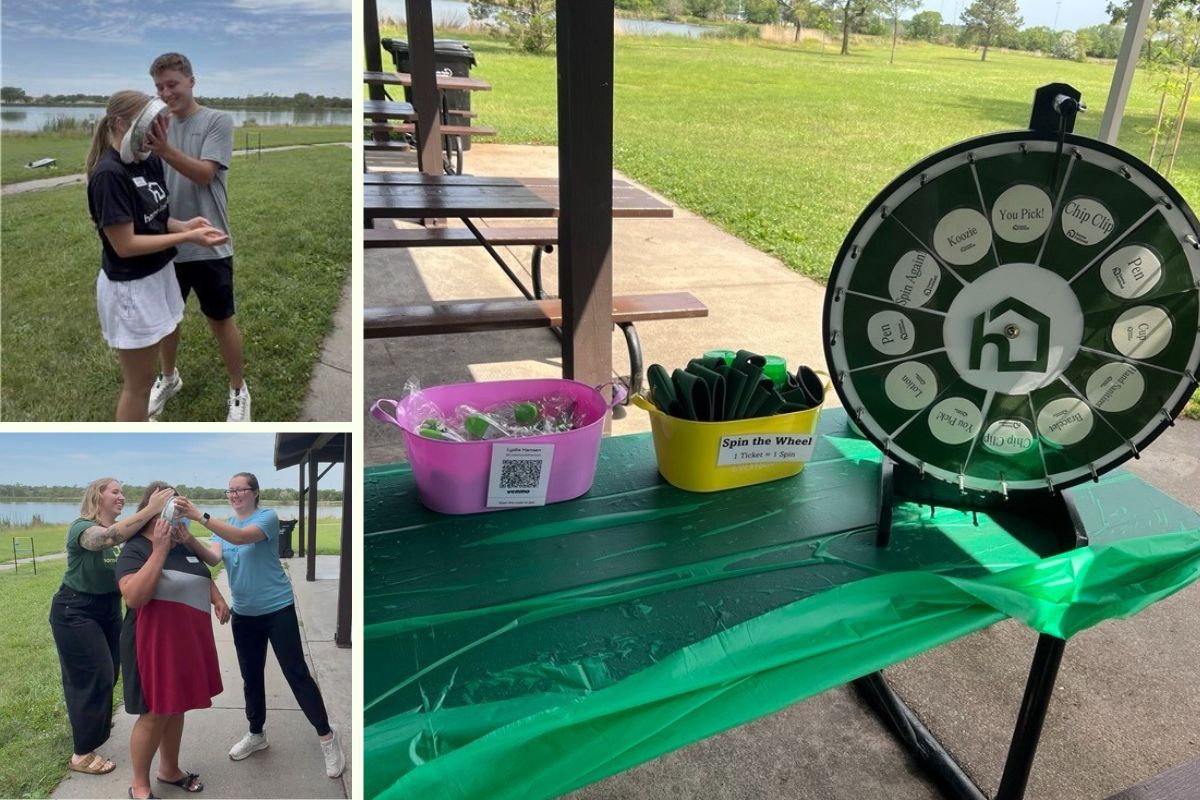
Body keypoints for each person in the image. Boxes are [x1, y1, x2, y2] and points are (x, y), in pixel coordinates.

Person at [176, 473, 345, 778]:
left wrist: (198, 515)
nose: (234, 494)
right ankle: (257, 734)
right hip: (244, 615)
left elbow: (240, 538)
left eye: (240, 489)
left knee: (296, 673)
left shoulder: (267, 517)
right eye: (230, 490)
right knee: (250, 677)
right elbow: (214, 557)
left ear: (255, 493)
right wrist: (187, 538)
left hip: (277, 609)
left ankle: (327, 737)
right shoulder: (224, 525)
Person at [85, 90, 229, 421]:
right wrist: (187, 236)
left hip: (158, 273)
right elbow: (126, 245)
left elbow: (155, 219)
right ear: (122, 124)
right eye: (151, 124)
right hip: (130, 286)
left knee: (149, 372)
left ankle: (166, 384)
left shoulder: (147, 159)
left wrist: (184, 224)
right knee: (138, 385)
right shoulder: (109, 174)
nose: (158, 131)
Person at [144, 52, 251, 422]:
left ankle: (238, 390)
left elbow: (205, 174)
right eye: (159, 87)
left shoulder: (217, 120)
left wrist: (164, 149)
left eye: (172, 84)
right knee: (167, 321)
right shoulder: (158, 124)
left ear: (191, 81)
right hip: (166, 241)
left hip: (210, 240)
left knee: (221, 321)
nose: (166, 92)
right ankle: (169, 378)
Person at [49, 479, 175, 777]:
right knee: (95, 674)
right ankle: (81, 753)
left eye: (123, 492)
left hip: (108, 609)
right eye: (115, 491)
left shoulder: (128, 532)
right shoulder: (81, 527)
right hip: (75, 609)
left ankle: (93, 730)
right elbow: (104, 539)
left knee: (109, 674)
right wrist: (150, 509)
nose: (121, 496)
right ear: (98, 496)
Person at [116, 482, 228, 799]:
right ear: (154, 510)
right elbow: (134, 597)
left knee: (175, 707)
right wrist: (160, 550)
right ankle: (139, 784)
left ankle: (169, 769)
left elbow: (199, 573)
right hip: (151, 643)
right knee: (154, 713)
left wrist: (216, 595)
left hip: (185, 641)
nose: (180, 512)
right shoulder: (136, 548)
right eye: (173, 506)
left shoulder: (182, 542)